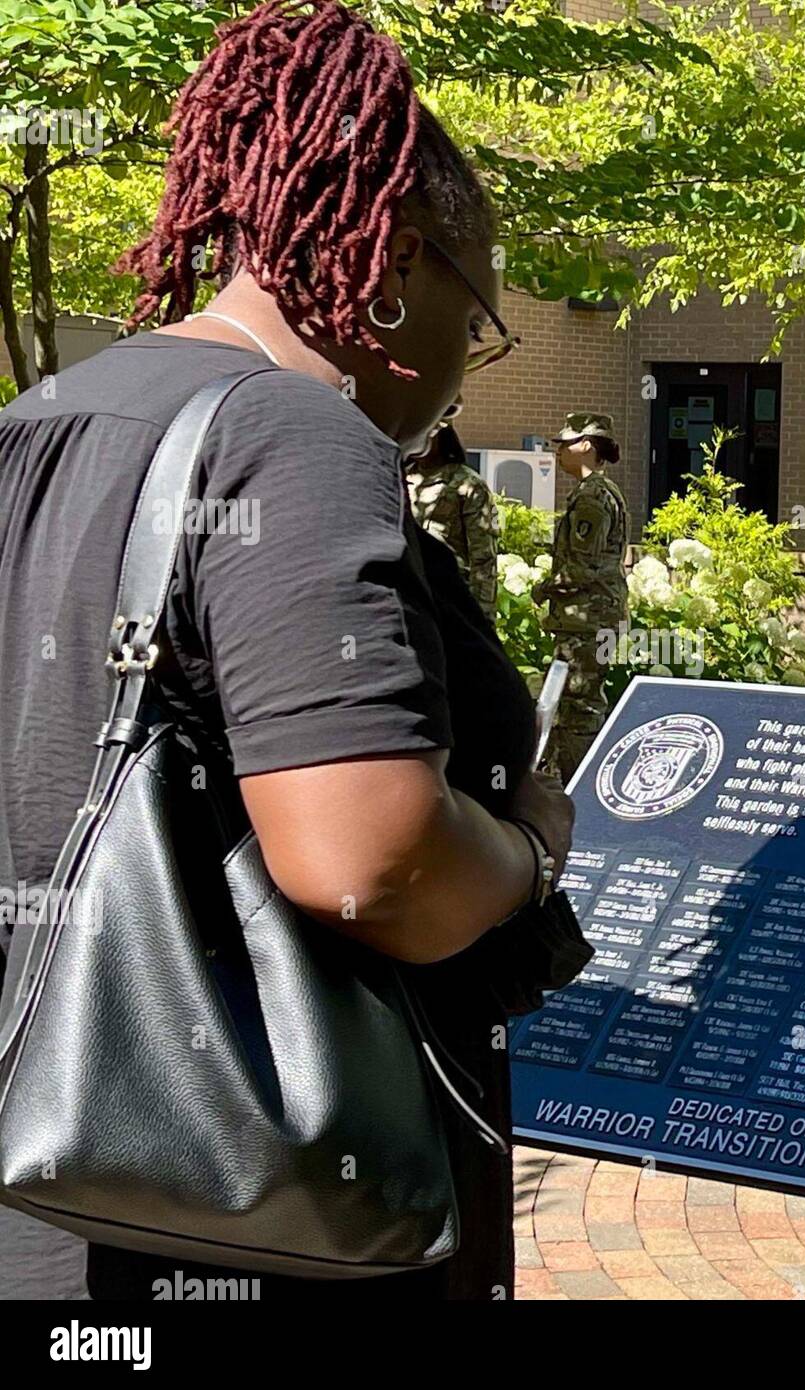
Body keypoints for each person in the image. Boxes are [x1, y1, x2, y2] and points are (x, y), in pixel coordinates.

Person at [0, 0, 572, 1301]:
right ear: (395, 265)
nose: (465, 371)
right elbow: (368, 859)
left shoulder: (35, 424)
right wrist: (533, 845)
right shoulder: (293, 435)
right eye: (473, 318)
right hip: (259, 1217)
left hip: (47, 1208)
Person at [533, 412, 629, 782]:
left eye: (565, 444)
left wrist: (542, 588)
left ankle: (578, 786)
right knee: (575, 703)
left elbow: (581, 568)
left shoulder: (592, 498)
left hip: (587, 620)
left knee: (578, 708)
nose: (558, 451)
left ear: (587, 445)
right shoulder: (602, 493)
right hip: (592, 618)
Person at [408, 422, 499, 621]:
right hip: (410, 597)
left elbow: (483, 557)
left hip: (449, 598)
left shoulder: (467, 484)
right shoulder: (400, 479)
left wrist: (482, 616)